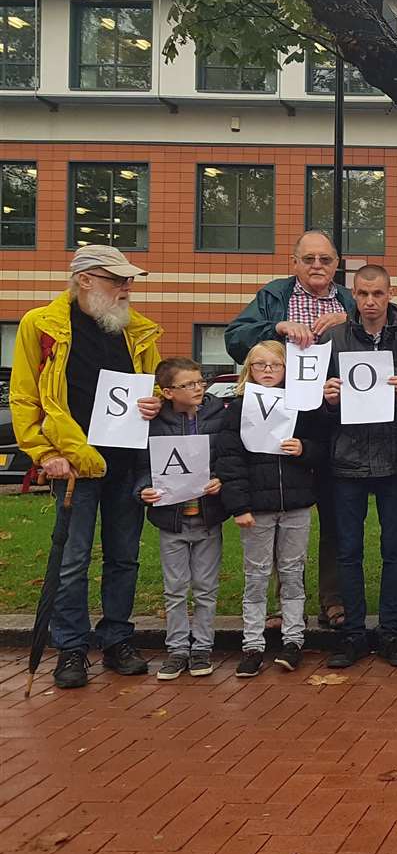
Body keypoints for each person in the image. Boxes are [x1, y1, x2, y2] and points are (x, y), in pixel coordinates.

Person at [11, 245, 163, 689]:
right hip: (74, 465)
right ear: (85, 280)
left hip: (128, 460)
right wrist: (43, 453)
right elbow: (25, 397)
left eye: (129, 281)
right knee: (73, 561)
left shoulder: (138, 331)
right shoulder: (40, 325)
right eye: (117, 280)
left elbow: (149, 391)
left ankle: (117, 639)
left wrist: (155, 404)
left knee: (124, 557)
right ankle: (72, 648)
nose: (126, 288)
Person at [225, 230, 354, 631]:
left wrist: (348, 321)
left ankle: (333, 598)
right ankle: (285, 602)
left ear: (337, 265)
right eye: (310, 259)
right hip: (281, 417)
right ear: (294, 262)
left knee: (335, 512)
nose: (318, 266)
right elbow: (235, 338)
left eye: (326, 260)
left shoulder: (348, 300)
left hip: (331, 415)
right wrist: (277, 328)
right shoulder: (272, 296)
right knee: (280, 505)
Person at [320, 264, 397, 669]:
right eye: (362, 294)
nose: (369, 302)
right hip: (346, 459)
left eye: (377, 294)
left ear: (390, 292)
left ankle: (390, 630)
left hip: (395, 456)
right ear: (352, 295)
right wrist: (327, 399)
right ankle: (353, 633)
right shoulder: (333, 340)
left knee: (393, 549)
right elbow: (314, 409)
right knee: (348, 550)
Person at [218, 341, 324, 678]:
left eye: (274, 365)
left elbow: (323, 446)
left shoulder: (300, 406)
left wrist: (305, 448)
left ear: (286, 370)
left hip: (295, 504)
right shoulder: (237, 409)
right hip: (257, 509)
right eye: (260, 364)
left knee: (293, 573)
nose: (267, 370)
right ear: (249, 369)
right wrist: (239, 506)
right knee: (256, 575)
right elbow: (228, 461)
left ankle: (293, 640)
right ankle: (252, 644)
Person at [135, 357, 229, 681]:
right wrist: (143, 489)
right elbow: (141, 466)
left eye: (200, 381)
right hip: (170, 519)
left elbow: (227, 457)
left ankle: (202, 647)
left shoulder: (219, 414)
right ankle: (176, 649)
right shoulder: (153, 421)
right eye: (189, 384)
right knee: (175, 589)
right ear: (168, 392)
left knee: (205, 587)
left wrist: (221, 481)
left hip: (208, 516)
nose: (198, 388)